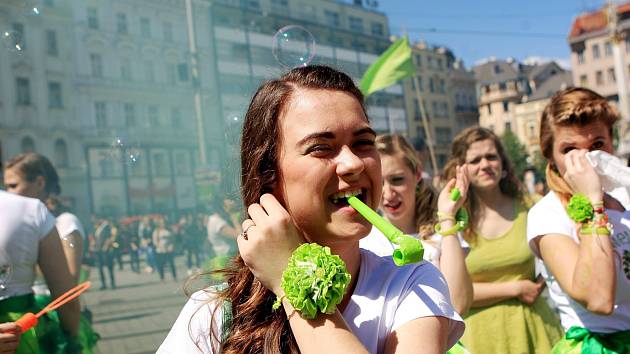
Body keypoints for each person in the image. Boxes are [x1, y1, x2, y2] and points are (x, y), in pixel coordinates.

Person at [159, 65, 464, 353]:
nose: (354, 163)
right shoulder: (213, 313)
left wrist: (292, 281)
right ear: (270, 176)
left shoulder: (411, 282)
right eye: (321, 147)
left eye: (363, 143)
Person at [442, 127, 563, 353]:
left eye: (491, 156)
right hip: (480, 338)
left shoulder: (533, 205)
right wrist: (515, 288)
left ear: (503, 162)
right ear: (461, 169)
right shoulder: (451, 219)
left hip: (536, 332)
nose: (485, 164)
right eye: (475, 160)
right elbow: (452, 296)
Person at [527, 87, 630, 352]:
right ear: (550, 155)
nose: (586, 160)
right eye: (570, 150)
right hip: (600, 345)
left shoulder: (624, 196)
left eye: (597, 145)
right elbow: (598, 299)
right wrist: (593, 202)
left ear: (612, 143)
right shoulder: (547, 214)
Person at [360, 133, 473, 315]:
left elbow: (458, 304)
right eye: (378, 182)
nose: (388, 193)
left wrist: (447, 216)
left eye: (397, 180)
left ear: (418, 174)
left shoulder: (442, 230)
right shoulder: (361, 239)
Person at [3, 152, 99, 352]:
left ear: (39, 183)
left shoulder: (65, 222)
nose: (8, 192)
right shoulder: (25, 219)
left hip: (51, 316)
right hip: (34, 316)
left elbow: (69, 285)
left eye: (13, 185)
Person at [0, 190, 80, 353]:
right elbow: (67, 297)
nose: (13, 190)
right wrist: (71, 343)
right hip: (23, 335)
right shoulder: (31, 210)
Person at [153, 217, 177, 281]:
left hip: (169, 250)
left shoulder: (169, 230)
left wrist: (171, 246)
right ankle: (162, 277)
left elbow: (173, 240)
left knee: (171, 264)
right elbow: (155, 241)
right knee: (161, 265)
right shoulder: (157, 231)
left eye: (164, 223)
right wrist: (160, 246)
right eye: (162, 223)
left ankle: (174, 277)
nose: (163, 224)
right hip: (160, 251)